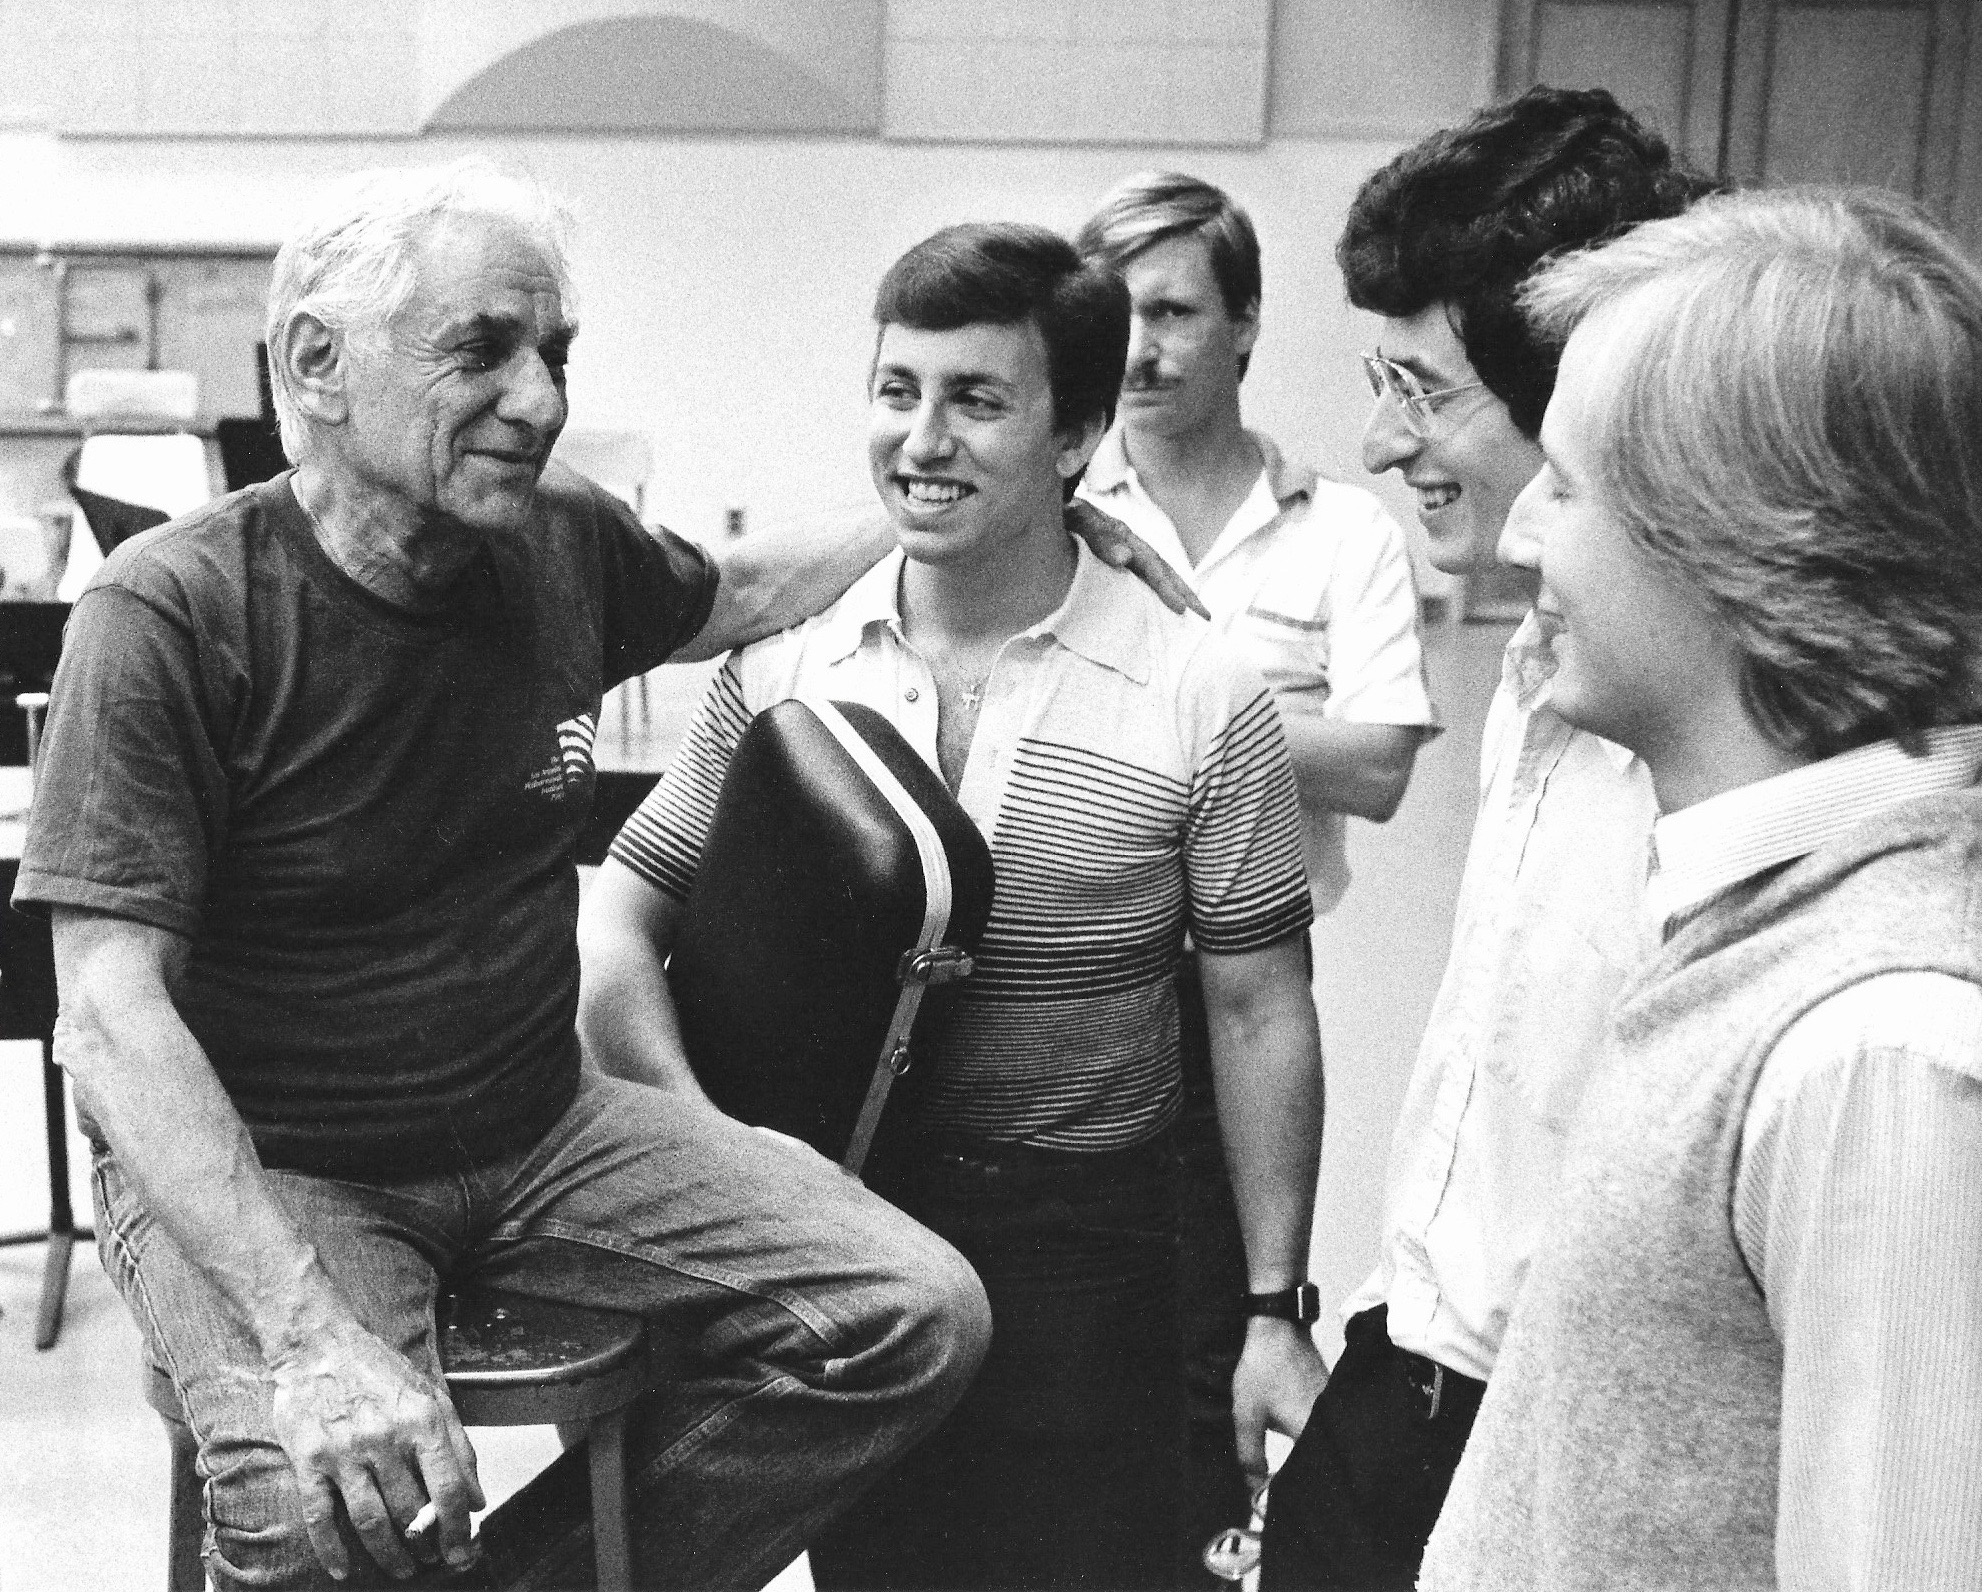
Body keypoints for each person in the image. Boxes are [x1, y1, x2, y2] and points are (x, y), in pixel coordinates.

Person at [17, 158, 1002, 1592]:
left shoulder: (556, 542)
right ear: (318, 362)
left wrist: (944, 509)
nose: (537, 400)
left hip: (540, 1127)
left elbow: (728, 593)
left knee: (909, 1315)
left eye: (554, 355)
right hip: (283, 1162)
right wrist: (308, 1339)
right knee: (321, 1516)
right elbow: (107, 1014)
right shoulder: (172, 611)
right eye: (482, 351)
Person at [580, 222, 1329, 1592]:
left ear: (1077, 434)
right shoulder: (791, 667)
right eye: (896, 391)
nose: (921, 439)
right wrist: (711, 1150)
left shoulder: (1198, 693)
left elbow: (1258, 1006)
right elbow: (619, 921)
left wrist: (1273, 1308)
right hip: (842, 1232)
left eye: (976, 400)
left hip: (1086, 1250)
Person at [1421, 185, 1982, 1591]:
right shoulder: (1750, 932)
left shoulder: (1881, 1046)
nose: (1514, 538)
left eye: (1566, 484)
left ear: (1738, 535)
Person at [1257, 87, 1715, 1590]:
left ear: (1587, 387)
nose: (1381, 443)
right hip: (1412, 1362)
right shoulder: (1537, 672)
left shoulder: (1718, 736)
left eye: (1420, 388)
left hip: (1562, 1429)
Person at [1072, 169, 1436, 1582]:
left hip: (1243, 990)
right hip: (1065, 983)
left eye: (1170, 312)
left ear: (1243, 325)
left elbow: (1386, 764)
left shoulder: (1339, 531)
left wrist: (1174, 697)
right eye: (1112, 317)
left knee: (1224, 1336)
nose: (1138, 350)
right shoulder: (1055, 509)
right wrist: (1272, 718)